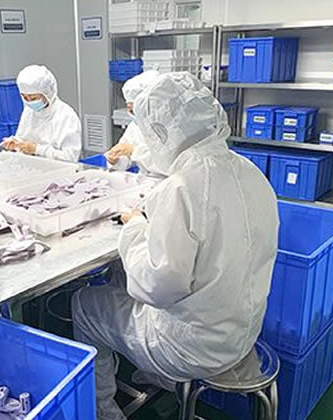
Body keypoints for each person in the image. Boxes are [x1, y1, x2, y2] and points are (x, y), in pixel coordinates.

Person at [71, 72, 279, 420]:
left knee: (85, 304)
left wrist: (135, 226)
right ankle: (157, 376)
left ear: (162, 133)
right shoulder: (250, 172)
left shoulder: (181, 187)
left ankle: (104, 410)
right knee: (128, 291)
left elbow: (156, 286)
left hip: (192, 348)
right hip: (243, 332)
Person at [1, 65, 82, 162]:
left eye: (34, 98)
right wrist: (16, 144)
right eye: (25, 97)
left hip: (58, 169)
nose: (29, 102)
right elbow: (23, 138)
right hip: (32, 167)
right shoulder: (29, 111)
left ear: (48, 94)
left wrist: (37, 149)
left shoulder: (66, 116)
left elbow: (71, 157)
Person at [104, 70, 160, 173]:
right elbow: (125, 157)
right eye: (129, 110)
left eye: (134, 109)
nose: (132, 114)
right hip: (146, 179)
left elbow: (167, 164)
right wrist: (115, 160)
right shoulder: (135, 126)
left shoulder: (171, 126)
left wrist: (134, 150)